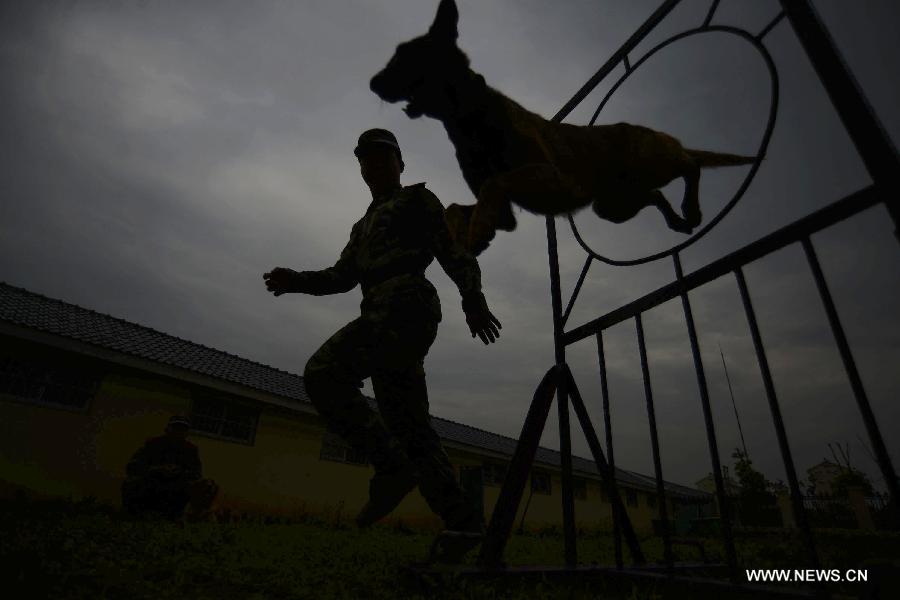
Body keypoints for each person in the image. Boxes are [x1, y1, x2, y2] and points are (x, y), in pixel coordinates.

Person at [264, 128, 501, 562]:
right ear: (360, 169)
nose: (373, 165)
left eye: (382, 157)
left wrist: (473, 297)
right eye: (365, 159)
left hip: (406, 304)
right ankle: (464, 524)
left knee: (324, 373)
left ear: (400, 164)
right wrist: (296, 280)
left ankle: (391, 467)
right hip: (379, 309)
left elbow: (452, 247)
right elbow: (341, 277)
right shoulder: (363, 225)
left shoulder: (416, 200)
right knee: (412, 429)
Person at [121, 415, 204, 521]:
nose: (178, 432)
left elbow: (196, 473)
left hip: (176, 487)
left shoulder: (191, 450)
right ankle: (134, 515)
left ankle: (174, 518)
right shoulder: (153, 444)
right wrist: (156, 469)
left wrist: (179, 472)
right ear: (168, 429)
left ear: (186, 433)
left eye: (182, 429)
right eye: (175, 428)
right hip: (150, 483)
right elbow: (133, 467)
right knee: (130, 483)